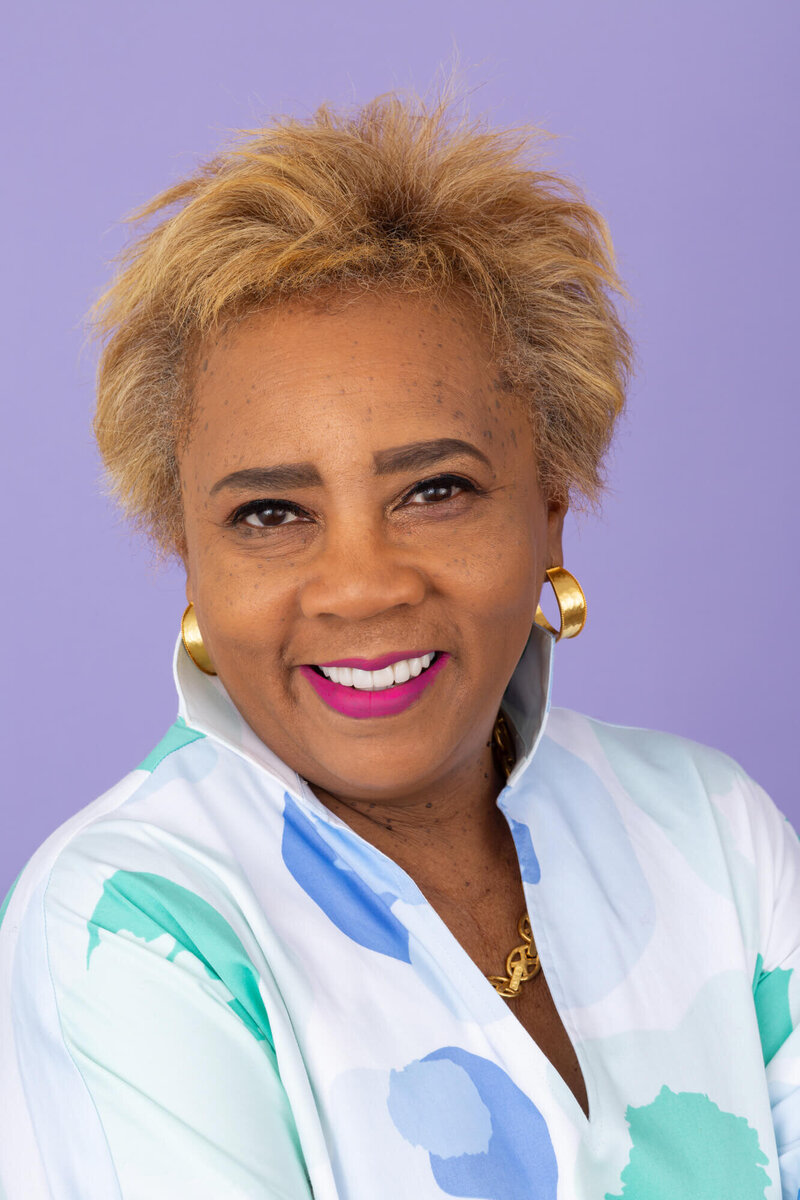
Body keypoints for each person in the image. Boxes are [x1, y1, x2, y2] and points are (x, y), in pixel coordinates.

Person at [0, 90, 797, 1200]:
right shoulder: (134, 925)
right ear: (187, 554)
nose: (362, 586)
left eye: (435, 490)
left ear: (548, 511)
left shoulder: (709, 835)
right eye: (270, 513)